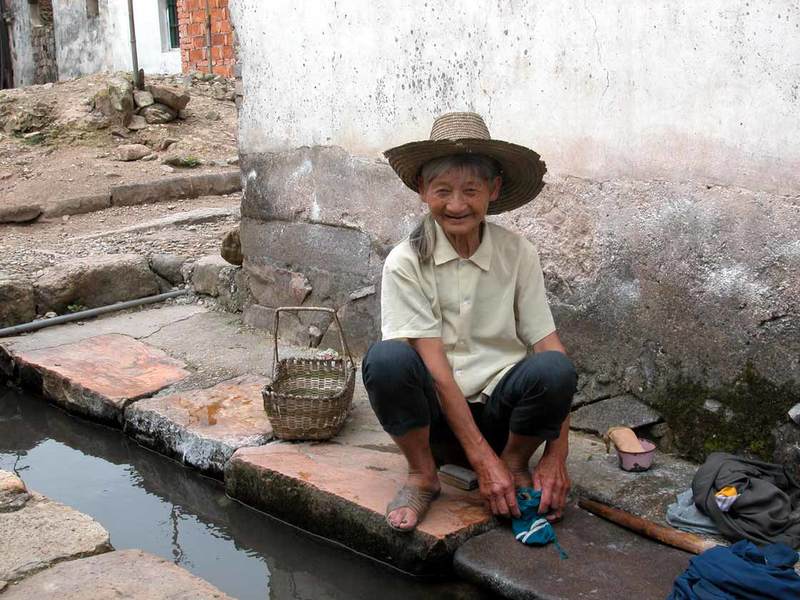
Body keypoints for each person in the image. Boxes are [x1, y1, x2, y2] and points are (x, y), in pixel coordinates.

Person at [362, 112, 577, 532]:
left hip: (505, 423)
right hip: (436, 423)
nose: (457, 205)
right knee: (386, 359)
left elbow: (552, 350)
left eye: (471, 191)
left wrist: (556, 456)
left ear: (493, 191)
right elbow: (439, 375)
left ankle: (514, 465)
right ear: (423, 191)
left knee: (555, 370)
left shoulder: (518, 253)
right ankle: (423, 474)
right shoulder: (406, 262)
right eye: (442, 190)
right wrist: (481, 462)